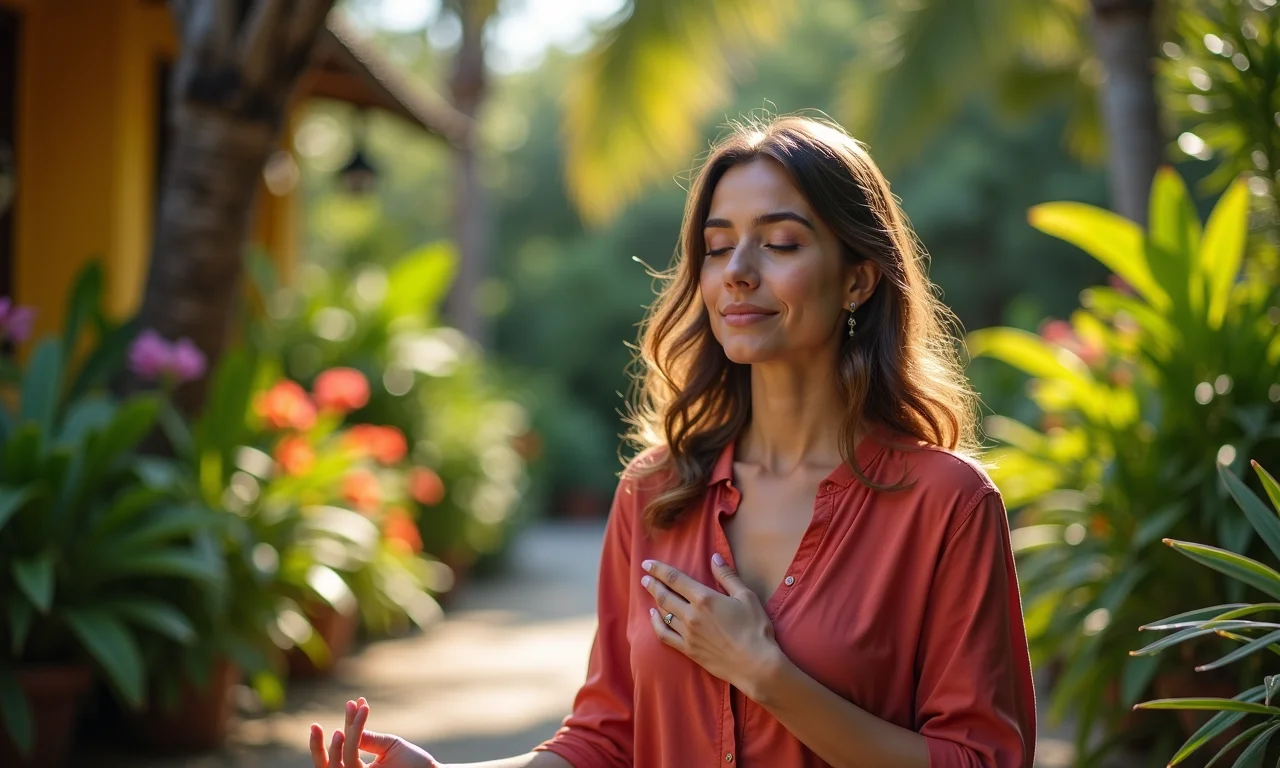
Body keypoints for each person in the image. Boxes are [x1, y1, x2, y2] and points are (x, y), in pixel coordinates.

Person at [309, 115, 1037, 768]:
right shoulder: (656, 494)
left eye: (780, 243)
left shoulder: (946, 505)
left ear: (858, 282)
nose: (739, 274)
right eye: (718, 249)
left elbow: (980, 760)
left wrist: (766, 674)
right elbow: (606, 737)